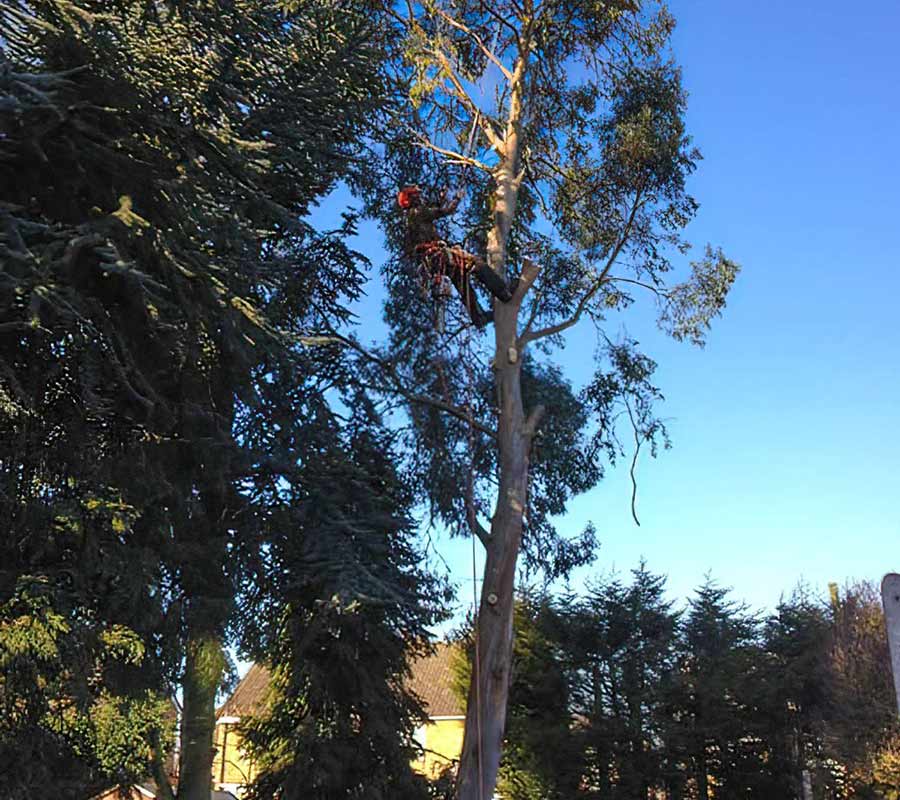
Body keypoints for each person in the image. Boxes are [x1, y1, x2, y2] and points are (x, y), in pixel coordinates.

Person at [397, 184, 514, 329]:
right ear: (413, 199)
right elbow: (446, 211)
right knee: (475, 263)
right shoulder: (418, 212)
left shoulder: (409, 218)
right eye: (417, 196)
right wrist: (457, 198)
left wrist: (441, 200)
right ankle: (503, 292)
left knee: (462, 281)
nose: (421, 198)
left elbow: (431, 216)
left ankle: (479, 318)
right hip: (439, 256)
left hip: (432, 262)